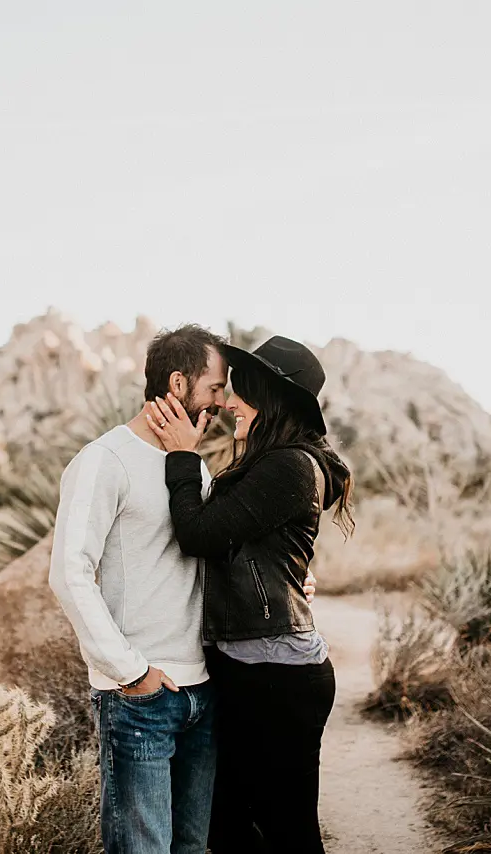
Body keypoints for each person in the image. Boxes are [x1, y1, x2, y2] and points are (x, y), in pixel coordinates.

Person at [49, 325, 315, 854]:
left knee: (194, 847)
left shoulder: (201, 466)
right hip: (141, 695)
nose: (224, 401)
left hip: (206, 687)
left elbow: (226, 543)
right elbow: (69, 573)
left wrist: (288, 579)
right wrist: (132, 672)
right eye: (216, 388)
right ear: (177, 383)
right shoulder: (104, 460)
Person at [147, 335, 354, 854]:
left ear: (273, 399)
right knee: (230, 823)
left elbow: (199, 535)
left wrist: (181, 457)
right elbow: (268, 548)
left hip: (277, 678)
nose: (230, 403)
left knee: (286, 831)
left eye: (242, 392)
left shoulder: (288, 465)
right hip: (250, 669)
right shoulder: (277, 463)